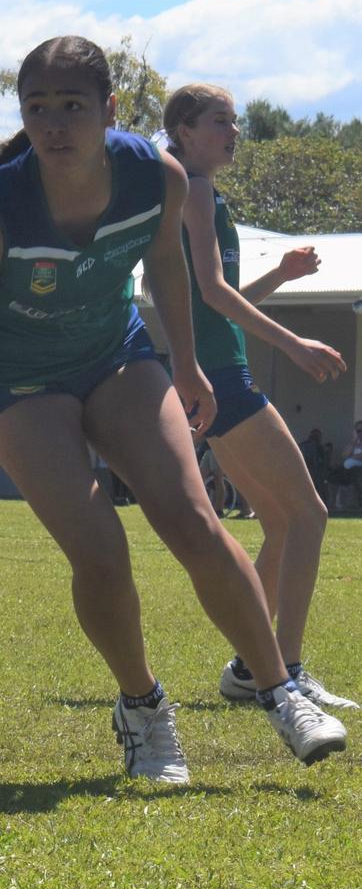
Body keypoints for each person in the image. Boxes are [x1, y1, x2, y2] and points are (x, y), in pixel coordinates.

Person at [0, 36, 347, 782]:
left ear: (109, 111)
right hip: (12, 376)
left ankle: (278, 689)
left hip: (113, 355)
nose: (54, 123)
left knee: (192, 519)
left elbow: (166, 261)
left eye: (72, 106)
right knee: (101, 549)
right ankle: (142, 706)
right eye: (38, 108)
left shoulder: (155, 177)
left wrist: (190, 364)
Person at [163, 82, 358, 710]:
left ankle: (253, 666)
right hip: (222, 376)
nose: (234, 131)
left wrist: (280, 275)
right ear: (185, 130)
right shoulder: (191, 189)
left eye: (236, 120)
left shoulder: (203, 193)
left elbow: (218, 296)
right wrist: (296, 345)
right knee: (309, 516)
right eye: (221, 120)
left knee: (282, 523)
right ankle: (287, 669)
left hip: (218, 370)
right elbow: (215, 295)